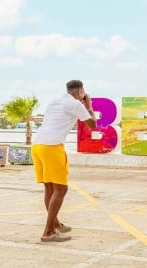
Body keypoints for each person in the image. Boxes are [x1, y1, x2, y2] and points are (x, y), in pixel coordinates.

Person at [31, 80, 97, 242]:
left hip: (38, 145)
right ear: (80, 92)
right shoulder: (75, 104)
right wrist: (88, 105)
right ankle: (48, 232)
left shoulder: (56, 100)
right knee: (60, 189)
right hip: (52, 146)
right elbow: (93, 125)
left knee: (50, 188)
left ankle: (56, 224)